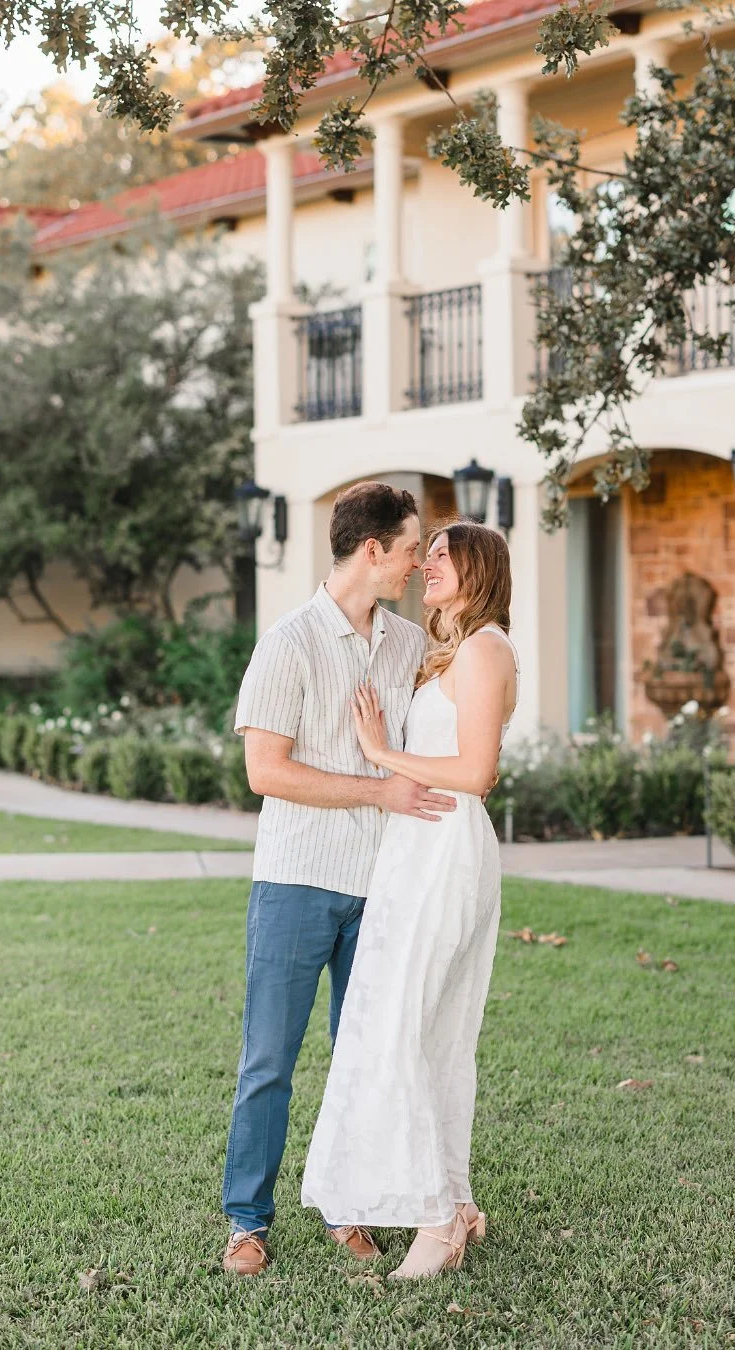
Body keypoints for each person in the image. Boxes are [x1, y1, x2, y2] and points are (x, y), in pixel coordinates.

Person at [221, 481, 459, 1277]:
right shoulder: (287, 642)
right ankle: (248, 1221)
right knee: (269, 1062)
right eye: (409, 550)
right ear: (372, 551)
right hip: (296, 881)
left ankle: (348, 1208)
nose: (417, 566)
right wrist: (378, 789)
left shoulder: (405, 643)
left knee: (364, 1057)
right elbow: (265, 771)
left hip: (383, 886)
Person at [301, 520, 518, 1280]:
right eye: (420, 555)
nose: (424, 566)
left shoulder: (487, 648)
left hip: (448, 847)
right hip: (412, 851)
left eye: (439, 557)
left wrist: (381, 754)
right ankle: (451, 1201)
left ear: (477, 569)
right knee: (407, 1031)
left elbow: (478, 772)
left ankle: (437, 1218)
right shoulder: (448, 651)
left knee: (412, 1031)